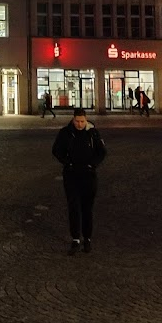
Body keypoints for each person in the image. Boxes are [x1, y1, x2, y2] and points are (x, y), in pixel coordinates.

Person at [51, 108, 107, 255]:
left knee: (87, 208)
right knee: (74, 207)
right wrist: (66, 162)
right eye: (77, 121)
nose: (80, 124)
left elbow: (102, 151)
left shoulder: (93, 133)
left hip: (88, 175)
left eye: (82, 121)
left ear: (86, 119)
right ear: (73, 119)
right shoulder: (65, 133)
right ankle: (75, 238)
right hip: (71, 175)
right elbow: (56, 150)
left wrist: (92, 164)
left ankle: (87, 238)